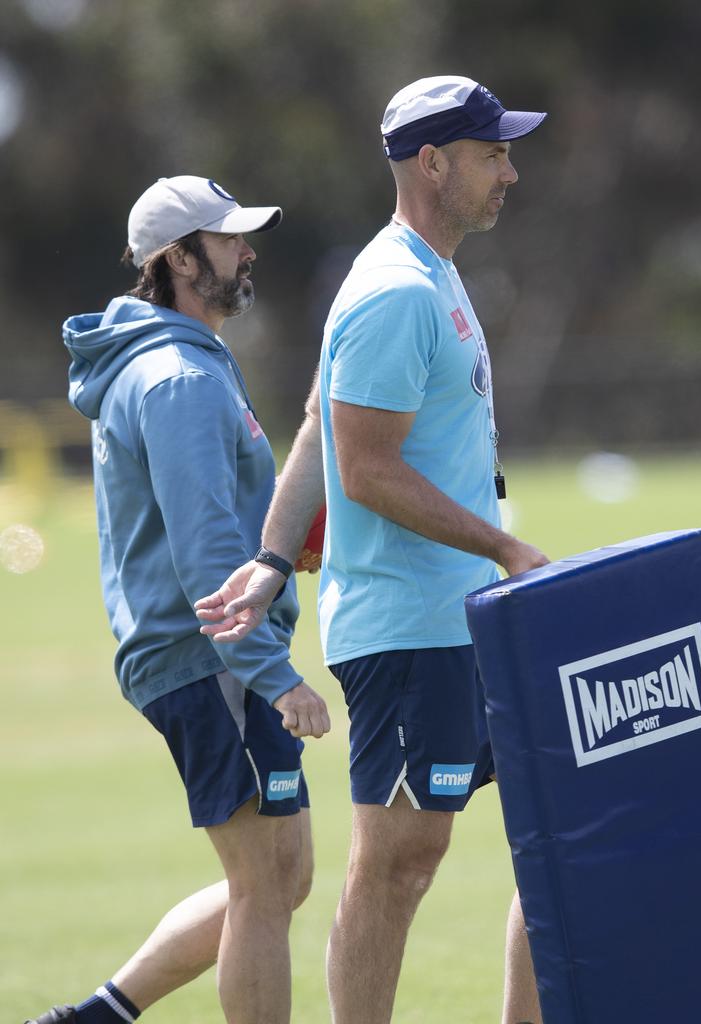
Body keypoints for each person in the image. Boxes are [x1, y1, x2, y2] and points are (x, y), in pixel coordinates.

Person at [196, 76, 549, 1024]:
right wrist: (506, 546)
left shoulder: (433, 267)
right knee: (397, 866)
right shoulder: (395, 289)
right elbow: (367, 469)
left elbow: (315, 421)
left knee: (551, 842)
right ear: (432, 163)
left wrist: (272, 555)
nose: (509, 172)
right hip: (409, 625)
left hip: (466, 611)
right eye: (493, 154)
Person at [26, 175, 330, 1024]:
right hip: (211, 657)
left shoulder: (182, 364)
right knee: (265, 886)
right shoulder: (176, 379)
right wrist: (275, 676)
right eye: (229, 240)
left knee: (282, 876)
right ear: (178, 259)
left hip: (203, 653)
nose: (248, 252)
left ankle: (99, 1017)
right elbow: (204, 557)